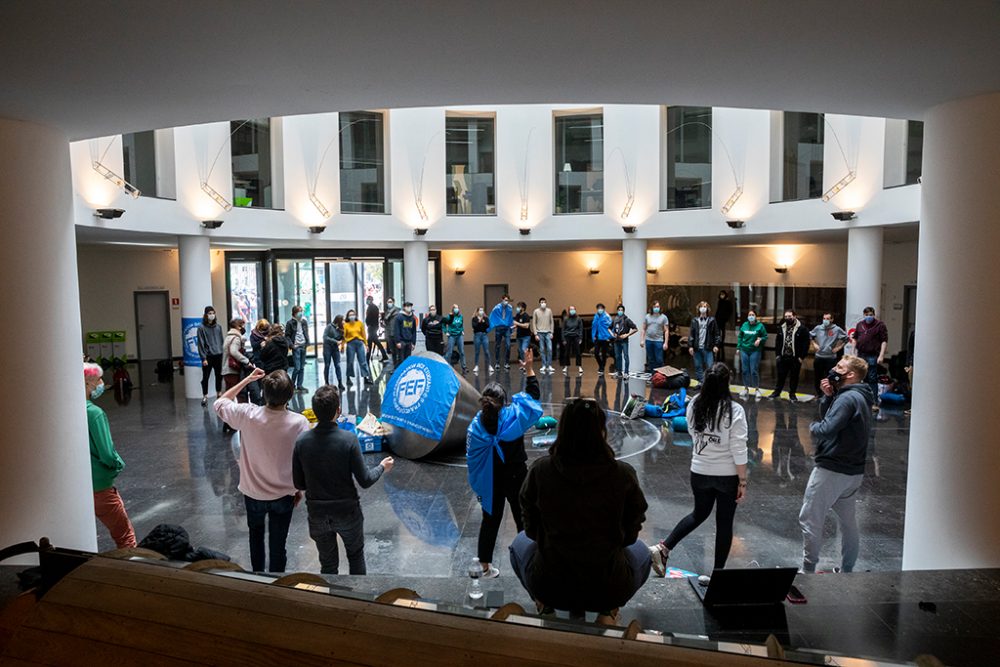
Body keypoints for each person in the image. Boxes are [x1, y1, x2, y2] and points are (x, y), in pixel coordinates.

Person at [511, 395, 651, 623]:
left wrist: (546, 539)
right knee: (643, 553)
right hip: (608, 585)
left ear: (563, 429)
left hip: (550, 583)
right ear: (601, 432)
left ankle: (544, 604)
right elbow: (633, 527)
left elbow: (529, 527)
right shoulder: (623, 474)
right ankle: (608, 610)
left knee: (517, 545)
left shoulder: (541, 471)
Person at [650, 363, 748, 576]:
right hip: (727, 476)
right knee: (724, 523)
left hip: (700, 471)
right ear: (727, 383)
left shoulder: (694, 403)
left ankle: (663, 548)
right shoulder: (735, 410)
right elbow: (739, 449)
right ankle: (718, 574)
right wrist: (742, 481)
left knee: (699, 513)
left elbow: (693, 433)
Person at [214, 368, 310, 573]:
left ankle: (256, 577)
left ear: (264, 394)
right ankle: (277, 584)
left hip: (252, 493)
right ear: (290, 395)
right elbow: (303, 460)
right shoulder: (299, 422)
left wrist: (247, 379)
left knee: (255, 539)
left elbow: (220, 402)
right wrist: (298, 489)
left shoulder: (248, 414)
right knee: (278, 545)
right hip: (284, 495)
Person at [293, 385, 394, 574]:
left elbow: (298, 483)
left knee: (328, 566)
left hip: (317, 514)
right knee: (355, 558)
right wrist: (382, 467)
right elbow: (365, 479)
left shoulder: (301, 441)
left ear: (314, 412)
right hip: (347, 512)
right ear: (338, 410)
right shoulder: (348, 440)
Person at [467, 348, 542, 578]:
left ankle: (484, 566)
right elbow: (533, 399)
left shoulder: (476, 427)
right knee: (523, 518)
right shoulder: (513, 418)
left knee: (490, 520)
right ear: (504, 403)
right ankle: (528, 561)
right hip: (517, 475)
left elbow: (472, 459)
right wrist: (529, 369)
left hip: (491, 480)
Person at [799, 355, 874, 573]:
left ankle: (808, 569)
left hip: (832, 470)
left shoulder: (848, 398)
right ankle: (847, 569)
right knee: (848, 523)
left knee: (810, 518)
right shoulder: (859, 396)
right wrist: (827, 397)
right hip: (853, 472)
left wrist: (812, 427)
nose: (834, 369)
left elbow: (827, 428)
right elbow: (835, 418)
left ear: (850, 375)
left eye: (839, 367)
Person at [84, 362, 137, 549]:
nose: (102, 383)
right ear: (87, 383)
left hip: (79, 485)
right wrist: (117, 464)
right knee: (125, 536)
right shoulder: (95, 414)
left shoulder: (69, 411)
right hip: (100, 484)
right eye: (98, 379)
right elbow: (106, 452)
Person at [769, 309, 810, 401]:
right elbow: (778, 341)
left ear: (794, 316)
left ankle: (792, 394)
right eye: (786, 316)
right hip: (783, 357)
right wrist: (778, 355)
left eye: (789, 316)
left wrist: (801, 357)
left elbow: (806, 344)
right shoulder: (781, 327)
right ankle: (777, 392)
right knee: (780, 376)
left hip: (795, 358)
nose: (787, 318)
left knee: (794, 377)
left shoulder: (802, 329)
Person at [854, 307, 888, 411]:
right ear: (864, 315)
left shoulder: (880, 325)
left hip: (872, 355)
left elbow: (884, 341)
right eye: (867, 314)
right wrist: (853, 353)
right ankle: (859, 401)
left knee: (872, 378)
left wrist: (881, 355)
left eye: (871, 314)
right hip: (861, 354)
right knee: (859, 379)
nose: (869, 316)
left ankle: (874, 402)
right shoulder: (860, 325)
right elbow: (855, 339)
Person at [221, 318, 252, 433]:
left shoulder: (228, 336)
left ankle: (227, 423)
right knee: (241, 396)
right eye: (242, 325)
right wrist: (246, 361)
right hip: (233, 371)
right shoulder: (236, 338)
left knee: (228, 398)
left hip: (226, 371)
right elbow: (234, 351)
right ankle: (242, 422)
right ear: (239, 327)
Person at [809, 313, 848, 396]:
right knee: (818, 377)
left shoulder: (836, 329)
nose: (825, 320)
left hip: (831, 358)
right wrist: (814, 344)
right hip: (819, 357)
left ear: (832, 319)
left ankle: (830, 394)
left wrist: (838, 347)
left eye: (827, 318)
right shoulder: (818, 328)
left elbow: (846, 338)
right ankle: (819, 394)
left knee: (830, 377)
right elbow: (810, 335)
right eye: (824, 318)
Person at [196, 305, 224, 406]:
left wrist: (222, 353)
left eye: (213, 313)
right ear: (205, 315)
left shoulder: (218, 327)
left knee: (219, 375)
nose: (211, 315)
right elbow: (200, 344)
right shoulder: (201, 328)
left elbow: (221, 341)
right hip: (208, 356)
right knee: (205, 377)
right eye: (209, 313)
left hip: (218, 355)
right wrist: (203, 358)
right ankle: (205, 396)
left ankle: (219, 394)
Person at [736, 310, 767, 399]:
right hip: (744, 350)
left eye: (753, 315)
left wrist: (760, 340)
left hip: (755, 351)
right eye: (749, 315)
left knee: (754, 370)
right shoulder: (744, 325)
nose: (751, 316)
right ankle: (746, 388)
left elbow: (765, 336)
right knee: (745, 370)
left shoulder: (760, 326)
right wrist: (738, 347)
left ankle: (757, 389)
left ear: (756, 316)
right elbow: (740, 337)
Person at [688, 302, 721, 383]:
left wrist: (716, 345)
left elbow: (717, 334)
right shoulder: (694, 320)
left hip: (708, 347)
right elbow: (691, 334)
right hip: (697, 347)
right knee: (698, 366)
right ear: (698, 308)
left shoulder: (712, 320)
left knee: (710, 367)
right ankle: (701, 383)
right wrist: (690, 346)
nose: (703, 308)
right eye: (701, 306)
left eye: (705, 306)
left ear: (708, 309)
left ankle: (709, 383)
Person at [343, 308, 372, 386]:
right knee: (350, 361)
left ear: (355, 315)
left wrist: (366, 344)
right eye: (350, 315)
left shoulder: (359, 323)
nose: (352, 316)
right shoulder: (346, 324)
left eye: (353, 314)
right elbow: (344, 336)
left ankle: (366, 377)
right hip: (350, 344)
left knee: (363, 361)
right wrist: (342, 345)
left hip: (359, 343)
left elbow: (364, 334)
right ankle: (348, 378)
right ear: (348, 316)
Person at [285, 305, 310, 393]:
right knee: (297, 367)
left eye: (301, 311)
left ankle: (300, 385)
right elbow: (287, 336)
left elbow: (306, 332)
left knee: (302, 367)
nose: (301, 313)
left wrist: (307, 342)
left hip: (303, 345)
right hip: (296, 347)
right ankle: (292, 385)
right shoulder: (290, 323)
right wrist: (292, 345)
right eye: (299, 311)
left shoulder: (303, 322)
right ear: (294, 313)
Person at [640, 301, 669, 374]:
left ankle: (661, 375)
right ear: (652, 308)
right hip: (649, 340)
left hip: (658, 341)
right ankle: (653, 375)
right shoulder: (647, 316)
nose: (656, 308)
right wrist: (642, 340)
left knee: (659, 359)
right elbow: (643, 329)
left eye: (658, 307)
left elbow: (666, 330)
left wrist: (666, 343)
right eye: (655, 307)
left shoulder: (663, 317)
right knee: (650, 359)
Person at [611, 304, 638, 378]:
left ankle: (626, 372)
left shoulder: (627, 320)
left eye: (621, 310)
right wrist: (612, 334)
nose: (620, 311)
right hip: (616, 341)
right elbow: (609, 328)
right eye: (619, 310)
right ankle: (619, 371)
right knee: (617, 356)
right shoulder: (615, 319)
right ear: (617, 311)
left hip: (624, 341)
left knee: (626, 356)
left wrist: (627, 334)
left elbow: (635, 329)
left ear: (623, 311)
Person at [489, 295, 514, 371]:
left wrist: (511, 328)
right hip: (499, 328)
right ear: (502, 299)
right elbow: (492, 316)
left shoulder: (509, 308)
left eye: (507, 300)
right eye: (505, 300)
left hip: (506, 329)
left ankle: (506, 362)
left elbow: (510, 318)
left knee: (508, 345)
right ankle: (497, 362)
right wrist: (489, 327)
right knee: (497, 346)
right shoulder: (497, 307)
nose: (506, 302)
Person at [531, 297, 555, 373]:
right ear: (539, 303)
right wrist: (535, 334)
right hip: (540, 332)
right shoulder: (536, 311)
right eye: (541, 302)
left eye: (544, 302)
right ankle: (544, 365)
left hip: (548, 332)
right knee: (541, 349)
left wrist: (551, 332)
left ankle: (549, 365)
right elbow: (534, 322)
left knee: (550, 349)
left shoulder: (549, 311)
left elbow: (552, 321)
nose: (543, 303)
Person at [442, 304, 467, 373]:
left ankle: (464, 367)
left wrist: (462, 330)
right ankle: (447, 367)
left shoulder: (461, 316)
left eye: (457, 308)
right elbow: (443, 324)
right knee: (449, 352)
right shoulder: (449, 317)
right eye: (455, 308)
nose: (456, 309)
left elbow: (461, 324)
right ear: (453, 309)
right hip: (451, 336)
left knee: (462, 351)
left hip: (459, 335)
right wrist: (446, 331)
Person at [323, 314, 345, 390]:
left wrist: (342, 347)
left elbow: (343, 339)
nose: (343, 322)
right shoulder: (329, 326)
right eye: (342, 320)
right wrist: (335, 341)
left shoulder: (341, 329)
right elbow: (325, 337)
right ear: (338, 321)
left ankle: (340, 383)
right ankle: (326, 382)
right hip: (327, 348)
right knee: (327, 365)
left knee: (338, 365)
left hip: (335, 348)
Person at [591, 302, 613, 376]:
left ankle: (602, 368)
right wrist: (593, 336)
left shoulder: (607, 317)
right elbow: (594, 327)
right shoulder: (596, 316)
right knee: (596, 353)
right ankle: (601, 365)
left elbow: (610, 328)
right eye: (598, 308)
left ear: (603, 309)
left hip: (605, 338)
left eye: (601, 308)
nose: (600, 310)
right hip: (597, 337)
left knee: (604, 354)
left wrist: (609, 337)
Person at [561, 305, 584, 375]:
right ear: (568, 311)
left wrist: (580, 338)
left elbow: (581, 329)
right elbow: (562, 329)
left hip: (576, 336)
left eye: (573, 309)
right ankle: (566, 366)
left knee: (578, 352)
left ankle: (579, 366)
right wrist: (563, 339)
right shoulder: (565, 319)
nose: (572, 311)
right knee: (567, 352)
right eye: (571, 309)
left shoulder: (578, 319)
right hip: (567, 336)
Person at [364, 295, 387, 362]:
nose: (367, 301)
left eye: (368, 300)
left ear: (370, 300)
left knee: (370, 342)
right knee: (375, 341)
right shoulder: (373, 307)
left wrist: (368, 324)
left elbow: (370, 318)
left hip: (372, 327)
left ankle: (367, 357)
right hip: (373, 326)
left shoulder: (372, 307)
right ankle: (384, 355)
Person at [471, 306, 492, 374]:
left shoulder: (486, 318)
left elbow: (488, 325)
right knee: (477, 351)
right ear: (477, 311)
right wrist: (479, 321)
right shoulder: (474, 318)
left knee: (486, 351)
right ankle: (476, 365)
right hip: (477, 335)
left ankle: (490, 365)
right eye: (480, 310)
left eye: (482, 310)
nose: (481, 312)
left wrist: (483, 321)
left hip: (484, 335)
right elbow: (474, 326)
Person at [715, 290, 734, 361]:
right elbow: (718, 310)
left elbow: (729, 311)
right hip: (718, 318)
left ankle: (722, 341)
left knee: (723, 330)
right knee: (718, 331)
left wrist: (726, 318)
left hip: (723, 319)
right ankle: (718, 341)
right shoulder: (720, 302)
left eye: (723, 294)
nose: (721, 296)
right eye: (721, 294)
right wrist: (716, 317)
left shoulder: (728, 302)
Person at [513, 301, 532, 366]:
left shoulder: (526, 316)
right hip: (519, 336)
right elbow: (515, 324)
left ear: (523, 308)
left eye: (519, 307)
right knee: (520, 351)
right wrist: (512, 327)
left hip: (526, 336)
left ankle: (526, 364)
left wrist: (517, 323)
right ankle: (523, 363)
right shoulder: (517, 315)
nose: (517, 308)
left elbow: (526, 326)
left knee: (524, 349)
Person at [383, 298, 401, 368]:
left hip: (396, 334)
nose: (389, 303)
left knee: (398, 352)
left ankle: (398, 367)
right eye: (388, 302)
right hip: (389, 333)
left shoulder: (398, 310)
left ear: (393, 302)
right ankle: (394, 367)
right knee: (393, 352)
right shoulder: (387, 312)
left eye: (390, 302)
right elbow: (386, 321)